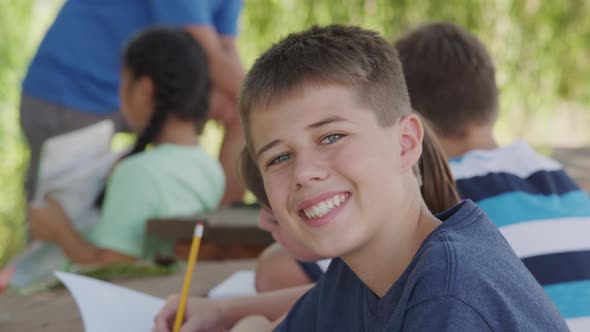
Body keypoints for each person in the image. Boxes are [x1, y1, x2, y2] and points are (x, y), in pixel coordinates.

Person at [154, 24, 568, 331]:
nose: (304, 173)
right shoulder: (357, 277)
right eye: (279, 157)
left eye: (331, 136)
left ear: (405, 142)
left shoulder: (448, 295)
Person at [26, 26, 225, 265]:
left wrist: (59, 230)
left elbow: (112, 268)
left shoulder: (137, 174)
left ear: (144, 89)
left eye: (124, 81)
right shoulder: (210, 169)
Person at [20, 0, 244, 207]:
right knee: (62, 213)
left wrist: (251, 105)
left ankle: (218, 230)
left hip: (139, 88)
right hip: (73, 88)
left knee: (240, 111)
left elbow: (225, 49)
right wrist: (264, 99)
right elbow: (206, 52)